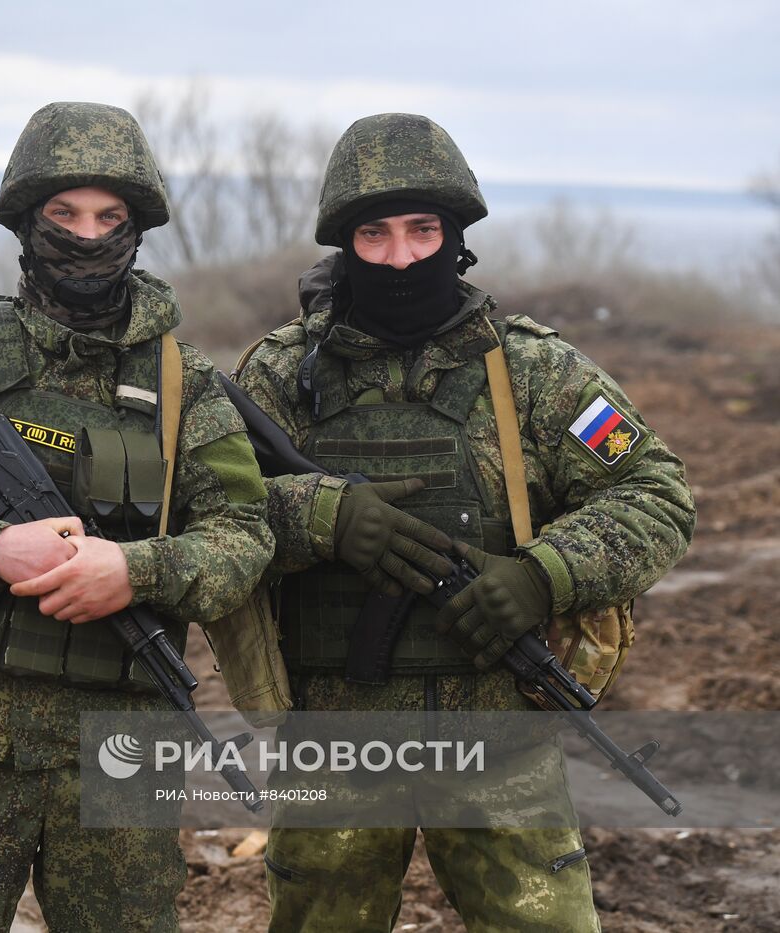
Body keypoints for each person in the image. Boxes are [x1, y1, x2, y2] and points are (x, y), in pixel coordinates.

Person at [234, 112, 695, 931]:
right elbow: (210, 515)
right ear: (345, 244)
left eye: (423, 230)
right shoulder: (279, 376)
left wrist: (541, 574)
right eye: (375, 235)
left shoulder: (532, 371)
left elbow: (655, 492)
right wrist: (318, 515)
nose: (403, 256)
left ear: (457, 235)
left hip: (499, 734)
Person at [0, 101, 274, 932]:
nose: (87, 236)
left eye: (110, 217)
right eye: (64, 215)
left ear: (138, 229)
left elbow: (244, 537)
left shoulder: (186, 387)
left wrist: (133, 570)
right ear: (27, 222)